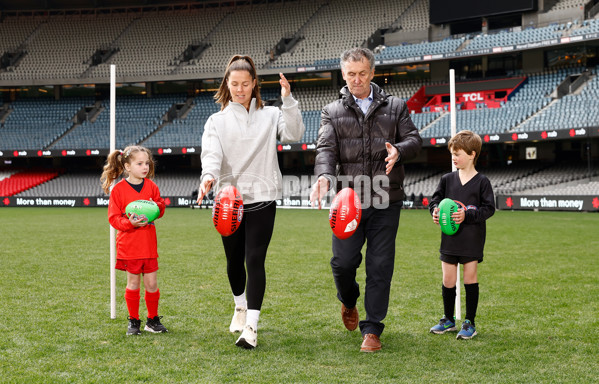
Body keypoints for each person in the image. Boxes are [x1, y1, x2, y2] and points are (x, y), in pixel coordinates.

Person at [310, 47, 422, 352]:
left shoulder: (396, 106)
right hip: (348, 202)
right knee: (343, 262)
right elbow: (326, 151)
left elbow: (415, 140)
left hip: (387, 199)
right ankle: (348, 300)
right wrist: (324, 177)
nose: (356, 80)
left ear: (372, 73)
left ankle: (372, 329)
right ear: (343, 75)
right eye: (350, 74)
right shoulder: (331, 111)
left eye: (362, 73)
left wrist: (399, 150)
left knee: (380, 265)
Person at [197, 55, 305, 349]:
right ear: (227, 85)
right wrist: (209, 176)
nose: (240, 89)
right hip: (228, 200)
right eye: (234, 84)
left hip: (263, 198)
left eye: (245, 83)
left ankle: (252, 328)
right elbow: (211, 155)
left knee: (254, 259)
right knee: (234, 261)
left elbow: (295, 134)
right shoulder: (216, 121)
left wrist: (288, 100)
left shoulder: (270, 115)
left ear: (254, 83)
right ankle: (239, 306)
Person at [428, 130, 495, 340]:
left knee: (469, 279)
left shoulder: (482, 182)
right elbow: (434, 201)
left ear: (472, 154)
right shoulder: (447, 179)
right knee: (448, 279)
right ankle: (448, 319)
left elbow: (489, 209)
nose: (454, 158)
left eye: (458, 154)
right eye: (452, 154)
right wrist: (435, 211)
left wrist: (467, 215)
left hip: (471, 238)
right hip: (449, 238)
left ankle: (469, 322)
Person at [101, 145, 168, 336]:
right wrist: (129, 223)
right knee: (133, 284)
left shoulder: (152, 187)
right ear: (127, 167)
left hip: (148, 244)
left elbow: (160, 210)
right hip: (129, 246)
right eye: (139, 163)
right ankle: (133, 320)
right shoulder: (118, 190)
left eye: (147, 163)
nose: (145, 167)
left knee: (152, 284)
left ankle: (152, 320)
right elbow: (113, 219)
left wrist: (158, 207)